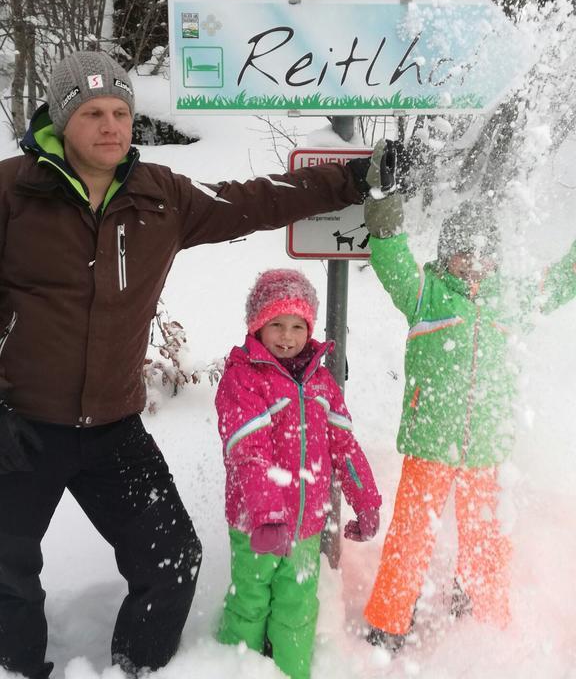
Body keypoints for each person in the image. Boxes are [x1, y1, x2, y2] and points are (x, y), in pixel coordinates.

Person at [0, 51, 374, 679]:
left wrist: (349, 180)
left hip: (113, 429)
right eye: (92, 113)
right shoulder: (12, 193)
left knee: (172, 556)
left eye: (120, 111)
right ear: (62, 120)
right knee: (7, 567)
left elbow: (251, 201)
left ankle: (137, 670)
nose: (110, 125)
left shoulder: (159, 194)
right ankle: (17, 667)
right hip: (20, 424)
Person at [357, 139, 576, 653]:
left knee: (486, 538)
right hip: (430, 440)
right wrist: (384, 203)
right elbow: (391, 260)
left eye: (484, 253)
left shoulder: (511, 300)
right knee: (410, 536)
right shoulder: (426, 294)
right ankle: (390, 618)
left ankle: (480, 611)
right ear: (446, 254)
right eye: (463, 251)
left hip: (485, 449)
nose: (473, 263)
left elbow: (562, 282)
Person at [215, 268, 382, 679]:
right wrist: (268, 513)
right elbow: (248, 453)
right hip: (255, 524)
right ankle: (234, 670)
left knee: (298, 608)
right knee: (250, 603)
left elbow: (345, 446)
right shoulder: (243, 379)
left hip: (305, 528)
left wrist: (367, 501)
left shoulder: (322, 383)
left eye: (297, 326)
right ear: (257, 325)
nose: (287, 336)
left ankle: (292, 672)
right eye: (276, 325)